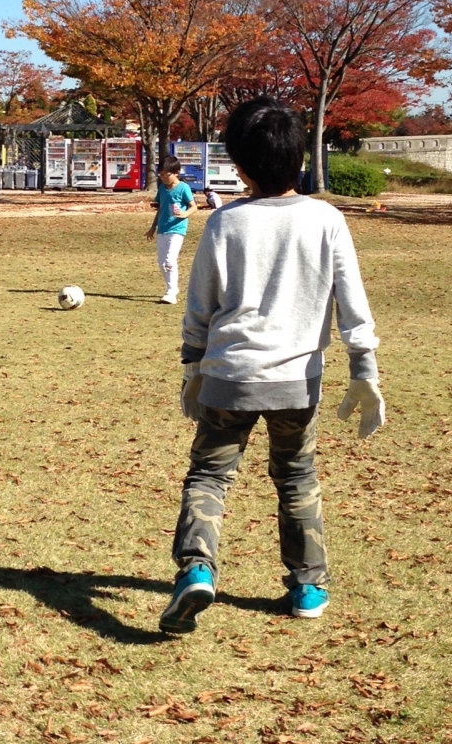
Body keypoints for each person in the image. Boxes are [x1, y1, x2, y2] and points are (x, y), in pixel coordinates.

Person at [159, 97, 385, 634]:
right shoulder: (326, 219)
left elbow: (200, 305)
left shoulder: (226, 223)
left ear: (239, 166)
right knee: (297, 476)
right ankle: (307, 585)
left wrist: (192, 364)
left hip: (228, 376)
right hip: (296, 381)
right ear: (300, 158)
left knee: (210, 475)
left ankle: (196, 569)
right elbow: (352, 302)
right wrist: (364, 368)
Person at [146, 155, 197, 304]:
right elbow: (160, 209)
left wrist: (184, 214)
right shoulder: (162, 189)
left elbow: (193, 207)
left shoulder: (183, 188)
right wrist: (153, 227)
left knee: (169, 260)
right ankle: (172, 288)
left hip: (177, 229)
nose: (163, 178)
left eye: (166, 175)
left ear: (176, 173)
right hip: (163, 229)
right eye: (161, 175)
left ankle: (171, 292)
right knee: (162, 262)